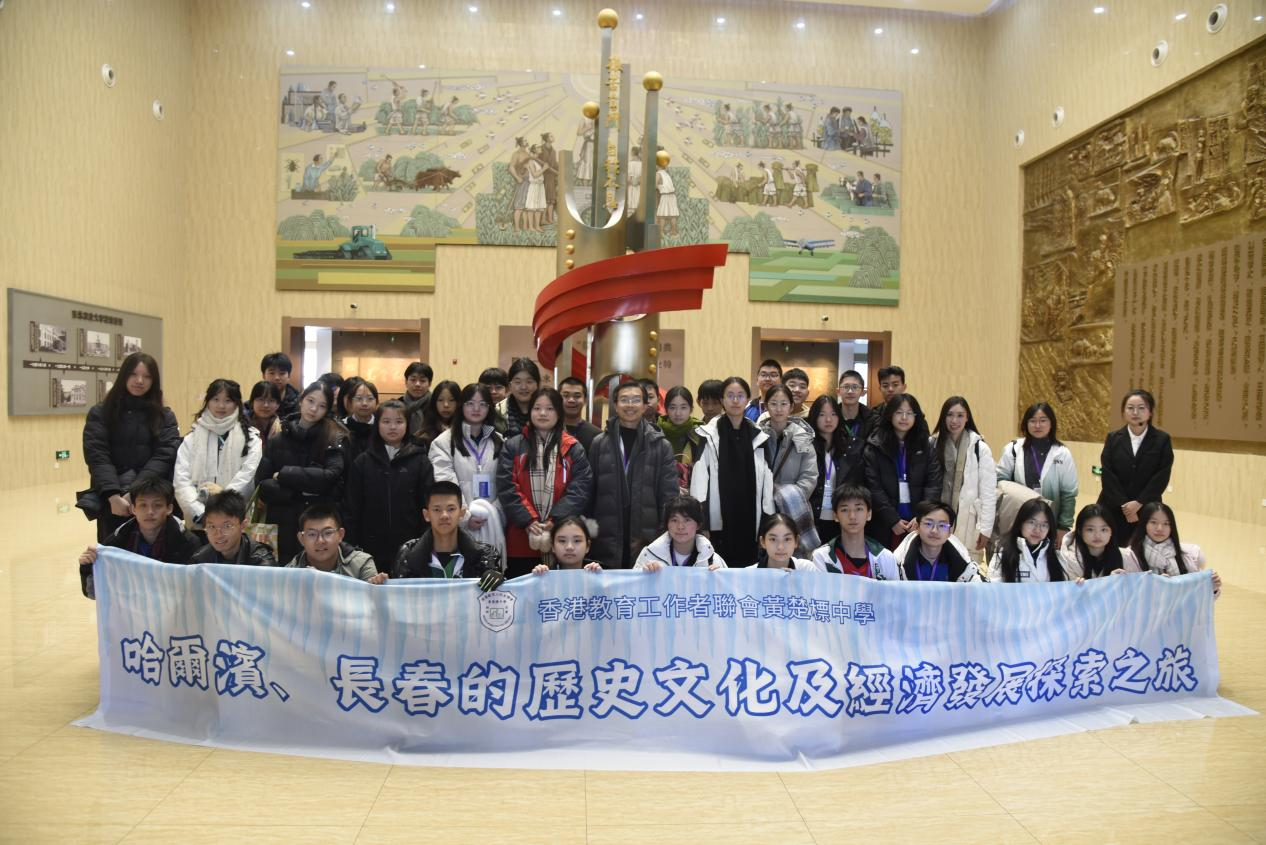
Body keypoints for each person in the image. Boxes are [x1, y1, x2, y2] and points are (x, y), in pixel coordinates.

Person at [81, 352, 181, 542]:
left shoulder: (165, 416)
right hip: (112, 499)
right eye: (134, 374)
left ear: (154, 381)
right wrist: (113, 495)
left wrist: (135, 492)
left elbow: (165, 454)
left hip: (151, 498)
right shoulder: (101, 413)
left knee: (152, 549)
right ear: (124, 376)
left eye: (147, 376)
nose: (139, 381)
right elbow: (97, 455)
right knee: (114, 549)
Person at [496, 387, 594, 577]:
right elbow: (507, 487)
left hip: (562, 538)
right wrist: (528, 520)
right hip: (521, 536)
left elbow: (580, 488)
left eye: (549, 409)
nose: (542, 413)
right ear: (530, 411)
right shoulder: (513, 445)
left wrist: (554, 520)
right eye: (537, 408)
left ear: (559, 412)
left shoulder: (573, 448)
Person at [587, 381, 679, 568]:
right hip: (606, 535)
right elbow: (589, 492)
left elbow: (669, 496)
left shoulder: (661, 446)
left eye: (636, 400)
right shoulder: (599, 443)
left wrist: (665, 535)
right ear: (615, 405)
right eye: (624, 400)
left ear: (645, 406)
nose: (630, 405)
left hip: (647, 535)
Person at [254, 382, 348, 564]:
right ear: (301, 400)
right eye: (310, 401)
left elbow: (330, 478)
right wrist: (301, 492)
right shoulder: (278, 440)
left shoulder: (334, 439)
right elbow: (262, 486)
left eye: (322, 406)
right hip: (281, 522)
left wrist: (284, 475)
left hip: (318, 525)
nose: (314, 409)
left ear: (327, 410)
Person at [690, 377, 774, 567]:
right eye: (730, 396)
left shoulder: (759, 435)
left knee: (748, 570)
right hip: (718, 520)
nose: (735, 400)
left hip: (750, 517)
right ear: (722, 400)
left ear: (747, 399)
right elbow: (699, 481)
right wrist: (702, 522)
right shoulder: (708, 434)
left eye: (740, 396)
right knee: (718, 570)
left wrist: (766, 522)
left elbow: (767, 483)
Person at [344, 400, 433, 571]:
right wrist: (352, 547)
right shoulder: (363, 462)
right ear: (377, 424)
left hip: (412, 546)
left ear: (407, 425)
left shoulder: (420, 461)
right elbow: (351, 508)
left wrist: (424, 543)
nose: (393, 427)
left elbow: (427, 505)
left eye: (399, 422)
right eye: (386, 421)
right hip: (369, 547)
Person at [77, 477, 203, 598]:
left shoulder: (188, 542)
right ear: (133, 509)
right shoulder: (116, 541)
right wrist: (87, 566)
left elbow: (195, 591)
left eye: (157, 505)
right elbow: (95, 593)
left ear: (169, 508)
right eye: (143, 505)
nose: (150, 512)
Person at [429, 383, 506, 566]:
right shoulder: (443, 443)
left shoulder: (499, 441)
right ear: (461, 406)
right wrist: (465, 517)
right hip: (457, 525)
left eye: (483, 404)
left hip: (493, 524)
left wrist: (494, 512)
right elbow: (445, 483)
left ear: (490, 408)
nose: (476, 409)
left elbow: (506, 483)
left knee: (491, 574)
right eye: (470, 403)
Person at [173, 378, 262, 529]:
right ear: (208, 402)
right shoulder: (192, 438)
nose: (221, 406)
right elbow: (181, 479)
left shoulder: (252, 438)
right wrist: (200, 513)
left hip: (234, 517)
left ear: (237, 404)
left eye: (228, 400)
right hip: (198, 520)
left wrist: (224, 502)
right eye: (215, 399)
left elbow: (247, 476)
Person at [863, 393, 942, 550]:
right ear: (890, 415)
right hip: (884, 522)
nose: (904, 417)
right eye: (899, 412)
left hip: (918, 522)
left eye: (909, 413)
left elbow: (933, 485)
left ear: (916, 416)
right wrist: (892, 519)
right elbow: (873, 487)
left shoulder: (926, 446)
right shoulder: (875, 446)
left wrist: (921, 516)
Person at [1098, 389, 1174, 546]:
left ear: (1150, 412)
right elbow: (1108, 474)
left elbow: (1161, 476)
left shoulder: (1162, 440)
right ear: (1123, 412)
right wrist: (1126, 506)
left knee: (1141, 550)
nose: (1135, 412)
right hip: (1113, 506)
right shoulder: (1113, 438)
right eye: (1130, 408)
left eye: (1141, 408)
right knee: (1110, 548)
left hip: (1146, 508)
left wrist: (1138, 503)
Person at [392, 481, 504, 587]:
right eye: (437, 510)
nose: (444, 515)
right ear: (426, 515)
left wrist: (499, 580)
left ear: (462, 513)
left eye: (451, 509)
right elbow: (397, 594)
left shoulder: (485, 555)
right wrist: (382, 582)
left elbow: (496, 597)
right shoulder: (408, 553)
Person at [996, 402, 1079, 544]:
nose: (1037, 425)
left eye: (1043, 420)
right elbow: (1001, 481)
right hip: (1017, 519)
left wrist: (1064, 526)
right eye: (1032, 421)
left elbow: (1068, 494)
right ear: (1026, 424)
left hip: (1049, 522)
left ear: (1051, 423)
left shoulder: (1062, 453)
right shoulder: (1013, 449)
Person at [931, 396, 996, 562]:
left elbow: (988, 494)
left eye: (960, 415)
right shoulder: (933, 444)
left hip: (969, 524)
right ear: (943, 417)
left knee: (965, 569)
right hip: (936, 521)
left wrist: (985, 530)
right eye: (950, 415)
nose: (954, 420)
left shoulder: (979, 448)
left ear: (967, 418)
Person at [757, 384, 820, 553]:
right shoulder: (756, 436)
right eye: (773, 404)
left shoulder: (803, 437)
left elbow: (809, 476)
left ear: (791, 406)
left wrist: (786, 498)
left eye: (784, 404)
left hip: (793, 508)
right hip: (762, 507)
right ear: (766, 405)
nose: (779, 409)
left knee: (793, 553)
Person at [1123, 502, 1221, 596]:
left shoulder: (1189, 555)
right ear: (1144, 524)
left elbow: (1194, 596)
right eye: (1153, 522)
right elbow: (1127, 596)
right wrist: (1156, 587)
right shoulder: (1129, 556)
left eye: (1166, 523)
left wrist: (1212, 589)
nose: (1160, 528)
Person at [810, 484, 900, 579]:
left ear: (869, 514)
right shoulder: (822, 557)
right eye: (844, 510)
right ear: (835, 516)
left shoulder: (886, 557)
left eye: (859, 509)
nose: (852, 516)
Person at [285, 503, 386, 583]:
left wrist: (376, 588)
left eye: (327, 533)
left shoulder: (361, 564)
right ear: (301, 539)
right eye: (312, 534)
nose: (320, 541)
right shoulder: (290, 572)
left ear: (340, 534)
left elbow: (372, 601)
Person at [893, 500, 984, 582]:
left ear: (949, 532)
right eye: (928, 524)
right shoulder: (898, 562)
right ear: (917, 527)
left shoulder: (964, 563)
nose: (934, 531)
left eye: (942, 525)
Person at [634, 494, 727, 571]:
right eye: (674, 520)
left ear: (698, 525)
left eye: (687, 520)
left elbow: (728, 586)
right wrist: (645, 574)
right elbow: (634, 586)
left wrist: (718, 578)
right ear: (667, 524)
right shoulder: (649, 556)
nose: (680, 527)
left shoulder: (712, 560)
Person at [987, 498, 1068, 583]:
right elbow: (994, 585)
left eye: (1044, 525)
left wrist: (1076, 583)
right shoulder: (1004, 551)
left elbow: (1064, 588)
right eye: (1032, 522)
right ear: (1020, 522)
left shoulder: (1057, 555)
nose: (1037, 530)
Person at [190, 490, 277, 566]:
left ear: (243, 525)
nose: (218, 534)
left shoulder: (260, 561)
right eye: (211, 526)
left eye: (226, 526)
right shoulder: (200, 560)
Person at [1058, 503, 1138, 580]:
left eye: (1103, 530)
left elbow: (1135, 586)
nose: (1097, 536)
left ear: (1111, 532)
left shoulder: (1126, 556)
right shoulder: (1068, 560)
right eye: (1090, 530)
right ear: (1080, 531)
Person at [807, 395, 849, 544]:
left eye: (833, 414)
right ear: (814, 417)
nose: (829, 420)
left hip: (839, 517)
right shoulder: (806, 446)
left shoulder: (848, 447)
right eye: (822, 415)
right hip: (812, 516)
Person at [659, 385, 705, 493]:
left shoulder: (701, 433)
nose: (678, 413)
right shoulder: (656, 433)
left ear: (691, 409)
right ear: (666, 409)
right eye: (672, 407)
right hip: (663, 491)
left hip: (695, 492)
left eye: (683, 407)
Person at [834, 370, 872, 486]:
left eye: (855, 387)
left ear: (863, 392)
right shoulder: (831, 418)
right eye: (846, 387)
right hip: (834, 479)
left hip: (863, 482)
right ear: (838, 391)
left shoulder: (872, 419)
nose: (850, 391)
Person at [530, 516, 604, 573]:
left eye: (577, 541)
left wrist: (598, 577)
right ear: (552, 546)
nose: (569, 547)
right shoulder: (545, 574)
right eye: (562, 541)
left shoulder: (598, 572)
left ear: (588, 546)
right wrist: (540, 579)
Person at [752, 513, 822, 570]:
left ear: (796, 541)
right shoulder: (750, 574)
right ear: (763, 542)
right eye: (773, 539)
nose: (780, 547)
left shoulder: (806, 569)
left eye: (787, 539)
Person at [340, 378, 378, 467]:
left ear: (376, 402)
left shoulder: (381, 426)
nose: (364, 403)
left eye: (370, 399)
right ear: (351, 402)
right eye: (359, 398)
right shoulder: (341, 426)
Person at [412, 379, 460, 448]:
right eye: (440, 400)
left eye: (451, 400)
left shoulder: (466, 430)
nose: (446, 405)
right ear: (434, 403)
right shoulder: (424, 435)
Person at [499, 358, 540, 436]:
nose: (523, 387)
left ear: (537, 384)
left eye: (529, 382)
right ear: (510, 386)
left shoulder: (548, 411)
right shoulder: (498, 412)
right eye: (518, 382)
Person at [559, 376, 600, 453]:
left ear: (585, 400)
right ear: (558, 398)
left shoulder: (597, 435)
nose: (571, 400)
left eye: (577, 396)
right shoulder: (548, 430)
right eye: (566, 395)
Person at [259, 352, 300, 419]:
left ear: (289, 376)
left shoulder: (299, 403)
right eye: (272, 373)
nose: (277, 378)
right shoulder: (256, 400)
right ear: (263, 375)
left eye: (282, 373)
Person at [246, 381, 283, 446]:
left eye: (271, 400)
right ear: (252, 402)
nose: (266, 405)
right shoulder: (242, 424)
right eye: (261, 399)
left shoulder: (283, 428)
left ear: (278, 405)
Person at [403, 361, 433, 434]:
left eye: (422, 381)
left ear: (429, 383)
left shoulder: (435, 405)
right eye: (413, 380)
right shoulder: (398, 405)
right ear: (406, 382)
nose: (417, 384)